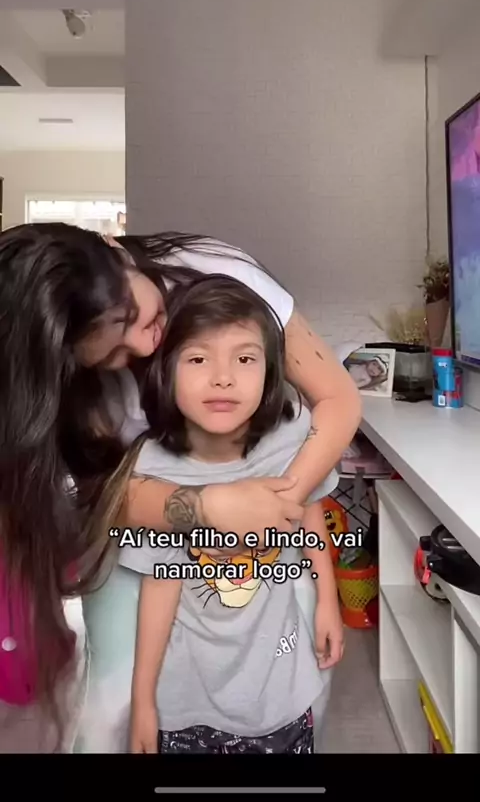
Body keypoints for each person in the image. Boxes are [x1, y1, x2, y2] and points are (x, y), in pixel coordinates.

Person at [0, 223, 360, 749]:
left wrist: (276, 503)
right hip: (142, 527)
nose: (143, 343)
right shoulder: (120, 431)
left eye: (130, 315)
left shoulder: (223, 277)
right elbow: (105, 500)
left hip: (268, 542)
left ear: (115, 250)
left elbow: (338, 401)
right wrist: (206, 507)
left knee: (296, 669)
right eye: (111, 355)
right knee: (114, 705)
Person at [101, 276, 344, 754]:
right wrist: (143, 700)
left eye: (245, 359)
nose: (223, 377)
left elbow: (308, 510)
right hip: (190, 700)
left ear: (270, 373)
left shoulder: (291, 435)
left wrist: (328, 602)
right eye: (197, 359)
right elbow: (161, 583)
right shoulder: (154, 474)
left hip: (281, 684)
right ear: (165, 371)